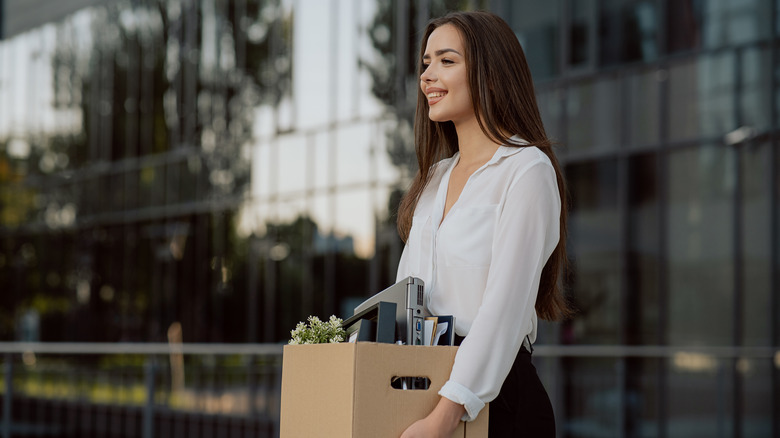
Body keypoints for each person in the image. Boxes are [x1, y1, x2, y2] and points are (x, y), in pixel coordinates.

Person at [396, 11, 571, 438]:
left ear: (490, 74)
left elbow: (504, 310)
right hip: (428, 389)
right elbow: (407, 296)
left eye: (446, 61)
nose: (428, 76)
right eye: (425, 63)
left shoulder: (526, 170)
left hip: (496, 405)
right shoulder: (434, 179)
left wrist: (444, 417)